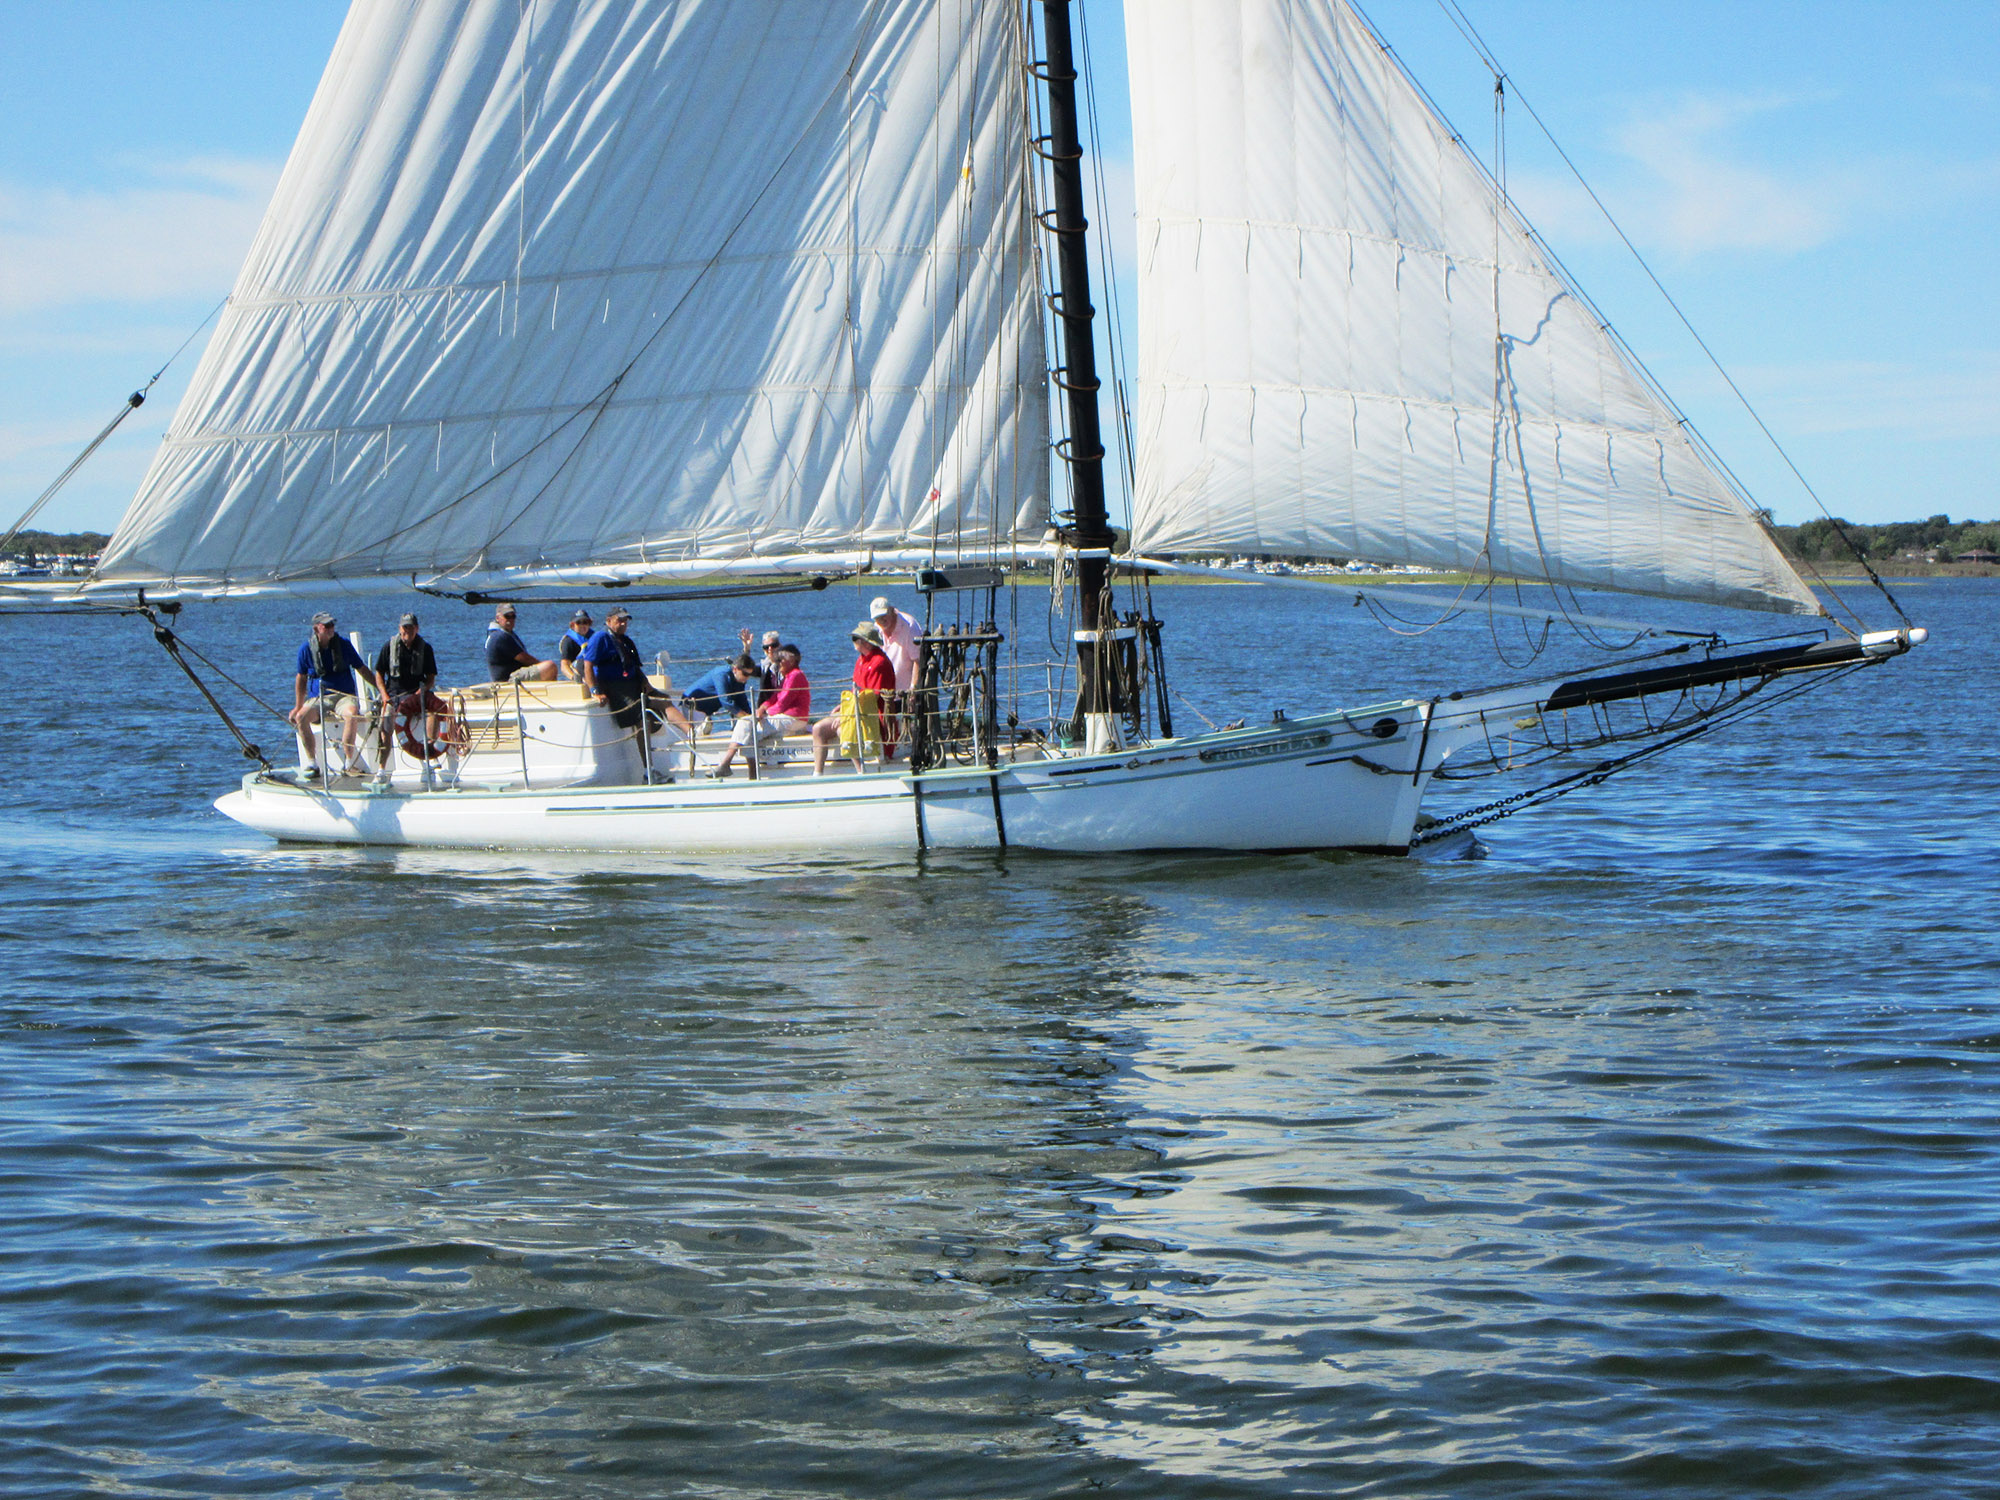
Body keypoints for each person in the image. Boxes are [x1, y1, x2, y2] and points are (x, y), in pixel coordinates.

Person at [289, 610, 381, 775]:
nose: (331, 628)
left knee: (351, 714)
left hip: (344, 697)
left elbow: (362, 669)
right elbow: (301, 678)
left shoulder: (344, 645)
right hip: (319, 698)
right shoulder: (306, 649)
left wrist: (381, 689)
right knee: (300, 717)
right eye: (327, 625)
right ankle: (312, 762)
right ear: (317, 628)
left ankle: (348, 762)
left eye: (332, 624)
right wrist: (298, 706)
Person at [581, 606, 692, 742]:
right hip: (616, 689)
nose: (623, 624)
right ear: (609, 621)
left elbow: (634, 665)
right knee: (643, 716)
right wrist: (595, 691)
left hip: (633, 684)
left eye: (625, 621)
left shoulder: (625, 641)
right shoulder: (600, 638)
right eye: (619, 620)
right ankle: (646, 762)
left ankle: (691, 733)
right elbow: (588, 665)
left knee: (664, 699)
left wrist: (645, 682)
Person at [709, 644, 807, 778]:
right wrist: (761, 708)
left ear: (792, 660)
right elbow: (775, 697)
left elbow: (783, 702)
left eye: (781, 660)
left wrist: (764, 714)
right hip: (784, 717)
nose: (778, 663)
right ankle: (748, 773)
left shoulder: (795, 675)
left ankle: (729, 764)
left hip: (793, 718)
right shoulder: (789, 676)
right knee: (748, 730)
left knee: (747, 727)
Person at [812, 622, 896, 774]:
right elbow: (855, 691)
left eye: (855, 639)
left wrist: (846, 716)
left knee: (842, 728)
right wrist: (842, 707)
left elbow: (872, 698)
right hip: (856, 709)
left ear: (865, 642)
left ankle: (861, 771)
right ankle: (818, 774)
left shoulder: (879, 663)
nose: (854, 642)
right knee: (818, 729)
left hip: (872, 716)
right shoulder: (861, 660)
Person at [373, 612, 443, 767]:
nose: (407, 631)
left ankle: (431, 754)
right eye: (404, 628)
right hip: (393, 695)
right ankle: (382, 769)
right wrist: (384, 695)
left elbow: (431, 678)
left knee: (433, 712)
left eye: (411, 628)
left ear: (416, 629)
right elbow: (379, 673)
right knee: (384, 725)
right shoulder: (388, 647)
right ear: (399, 628)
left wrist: (421, 693)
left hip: (416, 694)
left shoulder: (426, 648)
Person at [869, 595, 923, 757]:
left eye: (884, 615)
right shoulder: (876, 629)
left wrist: (913, 690)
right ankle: (882, 752)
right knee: (882, 724)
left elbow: (918, 661)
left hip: (904, 691)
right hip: (884, 692)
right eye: (877, 617)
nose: (881, 620)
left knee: (909, 724)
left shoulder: (909, 626)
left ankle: (914, 750)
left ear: (892, 611)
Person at [681, 654, 760, 730]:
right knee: (698, 736)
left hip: (705, 712)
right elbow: (725, 701)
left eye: (750, 674)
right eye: (745, 674)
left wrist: (751, 716)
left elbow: (741, 700)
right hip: (692, 707)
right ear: (735, 669)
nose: (748, 677)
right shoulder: (721, 674)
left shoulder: (740, 680)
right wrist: (747, 718)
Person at [484, 603, 559, 683]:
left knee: (547, 668)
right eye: (507, 616)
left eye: (513, 616)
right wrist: (542, 666)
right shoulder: (500, 637)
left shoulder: (502, 634)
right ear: (498, 618)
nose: (510, 620)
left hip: (514, 674)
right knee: (550, 666)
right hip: (508, 679)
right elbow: (525, 659)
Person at [558, 609, 594, 683]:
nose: (582, 625)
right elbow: (564, 665)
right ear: (572, 625)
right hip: (579, 671)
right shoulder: (569, 641)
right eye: (579, 623)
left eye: (585, 622)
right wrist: (573, 677)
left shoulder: (594, 637)